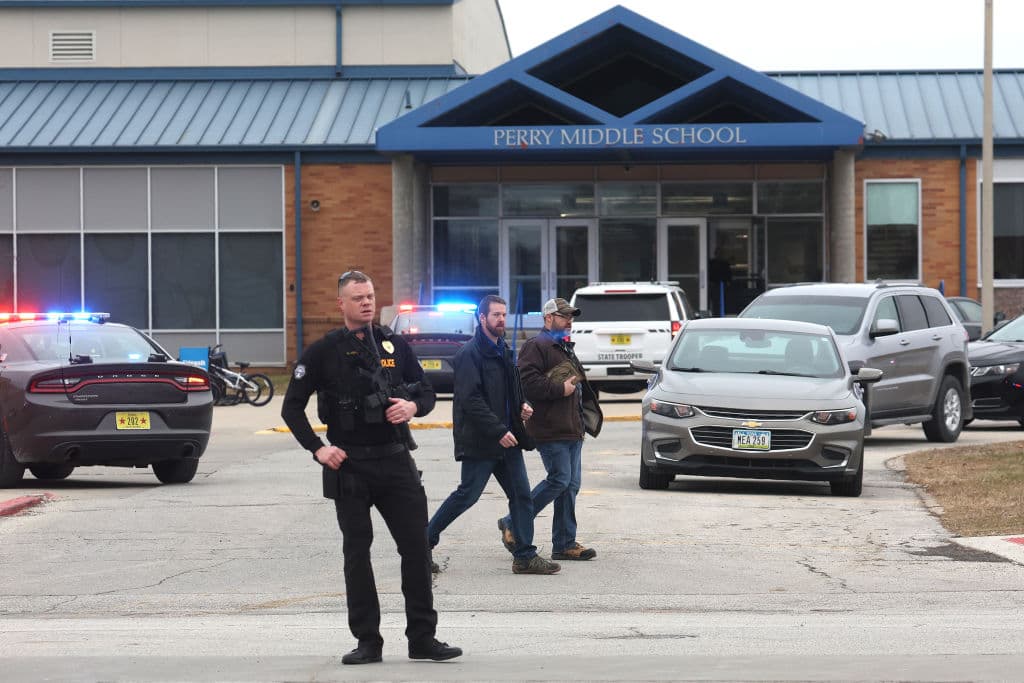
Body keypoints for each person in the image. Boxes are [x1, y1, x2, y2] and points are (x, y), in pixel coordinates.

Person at [280, 270, 461, 665]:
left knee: (416, 549)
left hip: (395, 460)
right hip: (350, 464)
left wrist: (412, 406)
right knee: (357, 555)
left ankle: (423, 639)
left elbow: (426, 391)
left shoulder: (394, 343)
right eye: (358, 297)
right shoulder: (323, 351)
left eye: (371, 295)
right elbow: (291, 406)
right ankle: (368, 641)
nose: (366, 302)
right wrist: (318, 449)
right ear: (340, 304)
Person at [426, 294, 561, 575]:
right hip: (482, 440)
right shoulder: (469, 355)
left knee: (522, 495)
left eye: (503, 314)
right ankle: (421, 545)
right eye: (495, 315)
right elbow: (471, 400)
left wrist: (522, 406)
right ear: (482, 318)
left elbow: (512, 390)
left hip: (508, 439)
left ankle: (524, 556)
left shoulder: (504, 350)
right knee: (467, 495)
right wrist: (498, 430)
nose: (501, 320)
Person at [498, 297, 603, 562]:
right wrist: (560, 389)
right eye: (563, 316)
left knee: (570, 486)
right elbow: (526, 384)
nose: (569, 321)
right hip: (550, 428)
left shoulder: (563, 346)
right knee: (559, 480)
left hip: (572, 428)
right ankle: (512, 521)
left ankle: (565, 543)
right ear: (548, 318)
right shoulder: (537, 346)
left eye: (571, 317)